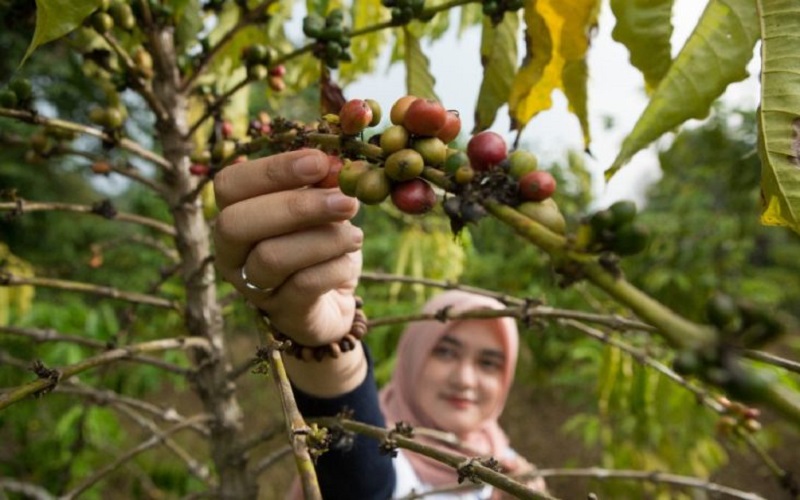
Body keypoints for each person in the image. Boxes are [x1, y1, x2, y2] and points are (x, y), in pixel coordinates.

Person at [213, 149, 546, 499]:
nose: (465, 379)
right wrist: (320, 335)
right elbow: (360, 477)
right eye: (446, 352)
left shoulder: (511, 468)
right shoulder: (386, 450)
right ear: (413, 357)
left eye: (489, 362)